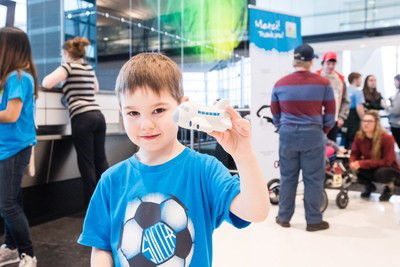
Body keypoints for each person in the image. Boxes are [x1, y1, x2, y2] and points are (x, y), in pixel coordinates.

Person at [77, 53, 269, 266]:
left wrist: (243, 155)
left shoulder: (204, 170)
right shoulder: (111, 181)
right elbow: (101, 246)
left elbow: (256, 211)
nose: (146, 124)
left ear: (182, 106)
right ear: (121, 111)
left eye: (158, 110)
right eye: (133, 113)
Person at [271, 43, 336, 231]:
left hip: (287, 134)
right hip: (313, 134)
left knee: (287, 177)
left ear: (295, 60)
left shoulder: (280, 83)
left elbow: (275, 113)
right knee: (314, 179)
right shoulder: (323, 83)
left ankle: (283, 217)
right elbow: (330, 113)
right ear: (311, 61)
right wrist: (323, 129)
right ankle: (314, 221)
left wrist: (282, 127)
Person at [42, 37, 108, 206]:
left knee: (86, 163)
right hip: (98, 116)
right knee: (100, 160)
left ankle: (91, 206)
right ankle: (107, 201)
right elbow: (96, 88)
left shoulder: (68, 66)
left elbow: (46, 83)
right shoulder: (88, 67)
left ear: (67, 53)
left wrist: (66, 85)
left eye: (62, 54)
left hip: (82, 118)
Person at [0, 27, 38, 267]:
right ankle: (12, 247)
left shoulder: (18, 77)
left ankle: (28, 253)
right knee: (12, 200)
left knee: (7, 204)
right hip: (9, 148)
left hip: (15, 148)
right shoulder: (13, 77)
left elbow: (11, 115)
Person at [350, 110, 400, 201]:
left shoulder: (387, 138)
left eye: (369, 121)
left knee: (381, 173)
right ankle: (368, 186)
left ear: (376, 123)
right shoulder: (359, 136)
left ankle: (389, 188)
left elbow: (387, 162)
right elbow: (354, 153)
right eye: (364, 121)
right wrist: (353, 163)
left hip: (389, 169)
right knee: (354, 169)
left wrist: (363, 163)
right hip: (372, 166)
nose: (366, 124)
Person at [317, 52, 350, 142]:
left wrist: (341, 117)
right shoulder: (315, 77)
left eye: (333, 64)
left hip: (333, 119)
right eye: (328, 63)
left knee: (332, 146)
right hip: (317, 119)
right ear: (323, 63)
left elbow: (345, 101)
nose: (331, 66)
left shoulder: (340, 80)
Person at [342, 72, 365, 149]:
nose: (361, 81)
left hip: (345, 117)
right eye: (360, 79)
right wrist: (364, 120)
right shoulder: (358, 92)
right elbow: (359, 108)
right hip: (354, 118)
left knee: (345, 138)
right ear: (355, 80)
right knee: (354, 139)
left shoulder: (345, 90)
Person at [387, 74, 400, 149]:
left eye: (395, 81)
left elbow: (396, 111)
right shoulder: (397, 93)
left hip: (397, 125)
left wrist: (386, 107)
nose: (394, 83)